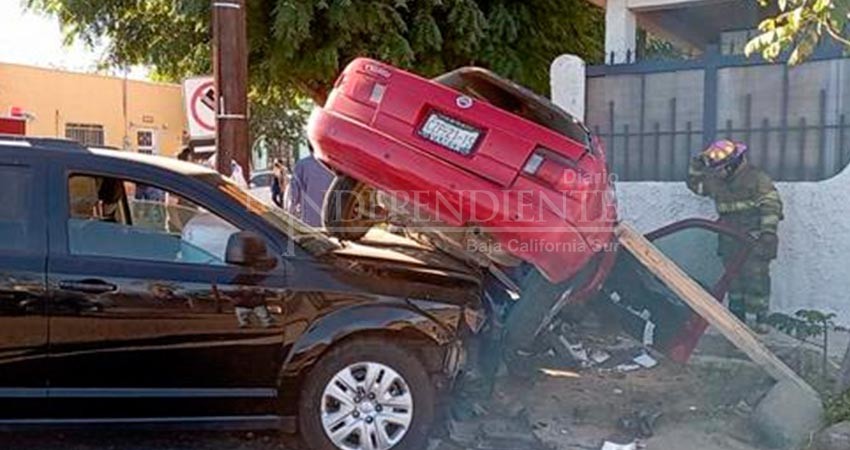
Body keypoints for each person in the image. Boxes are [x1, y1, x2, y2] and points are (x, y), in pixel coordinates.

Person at [687, 139, 784, 333]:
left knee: (756, 278)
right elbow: (696, 186)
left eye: (721, 168)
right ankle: (736, 318)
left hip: (754, 239)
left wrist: (767, 234)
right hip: (729, 238)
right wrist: (696, 165)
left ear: (732, 165)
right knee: (733, 279)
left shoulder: (757, 178)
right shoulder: (716, 181)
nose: (718, 172)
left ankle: (760, 319)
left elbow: (771, 205)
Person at [285, 145, 335, 228]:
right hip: (333, 223)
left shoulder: (302, 165)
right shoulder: (336, 166)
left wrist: (289, 219)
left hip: (310, 223)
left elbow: (293, 196)